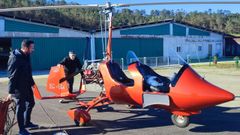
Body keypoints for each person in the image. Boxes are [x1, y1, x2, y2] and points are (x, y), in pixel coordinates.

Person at [6, 39, 38, 135]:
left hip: (27, 85)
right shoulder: (15, 58)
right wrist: (10, 92)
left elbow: (28, 71)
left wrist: (32, 83)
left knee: (31, 103)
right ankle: (22, 130)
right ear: (25, 48)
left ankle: (26, 122)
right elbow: (12, 76)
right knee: (21, 108)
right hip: (18, 88)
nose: (33, 50)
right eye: (31, 48)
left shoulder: (26, 55)